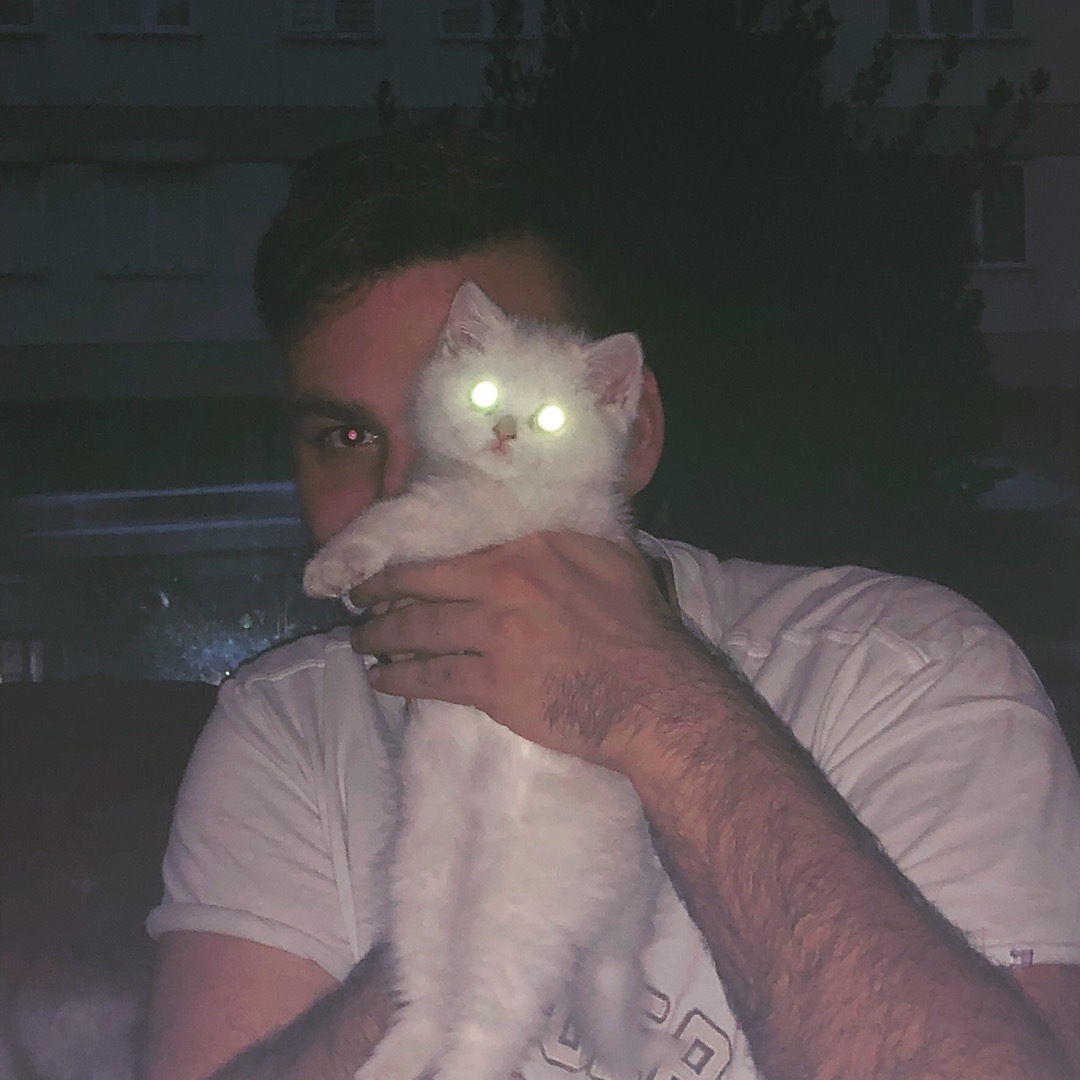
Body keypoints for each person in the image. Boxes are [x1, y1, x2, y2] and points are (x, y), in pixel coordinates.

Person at [143, 124, 1080, 1080]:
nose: (407, 486)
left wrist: (653, 706)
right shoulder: (287, 729)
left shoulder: (907, 672)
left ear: (631, 431)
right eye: (346, 436)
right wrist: (463, 942)